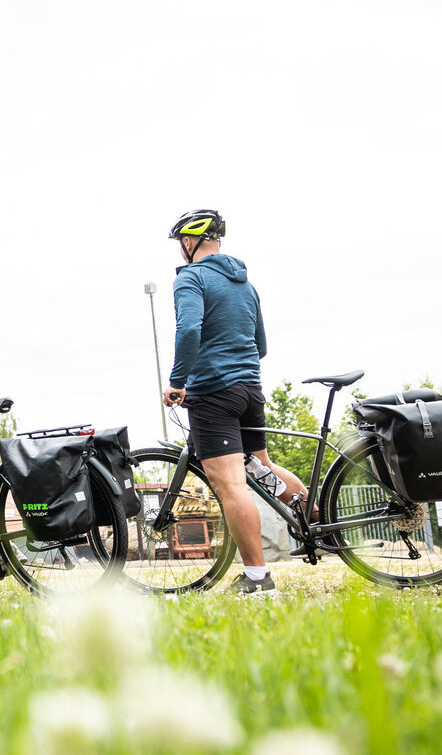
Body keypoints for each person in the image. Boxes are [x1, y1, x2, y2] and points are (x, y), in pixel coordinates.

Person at [160, 209, 306, 595]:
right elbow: (260, 345)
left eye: (180, 243)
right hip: (250, 389)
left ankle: (258, 581)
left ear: (189, 242)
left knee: (231, 486)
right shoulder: (245, 283)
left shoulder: (190, 278)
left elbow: (189, 329)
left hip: (213, 394)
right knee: (261, 466)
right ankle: (319, 525)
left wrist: (178, 382)